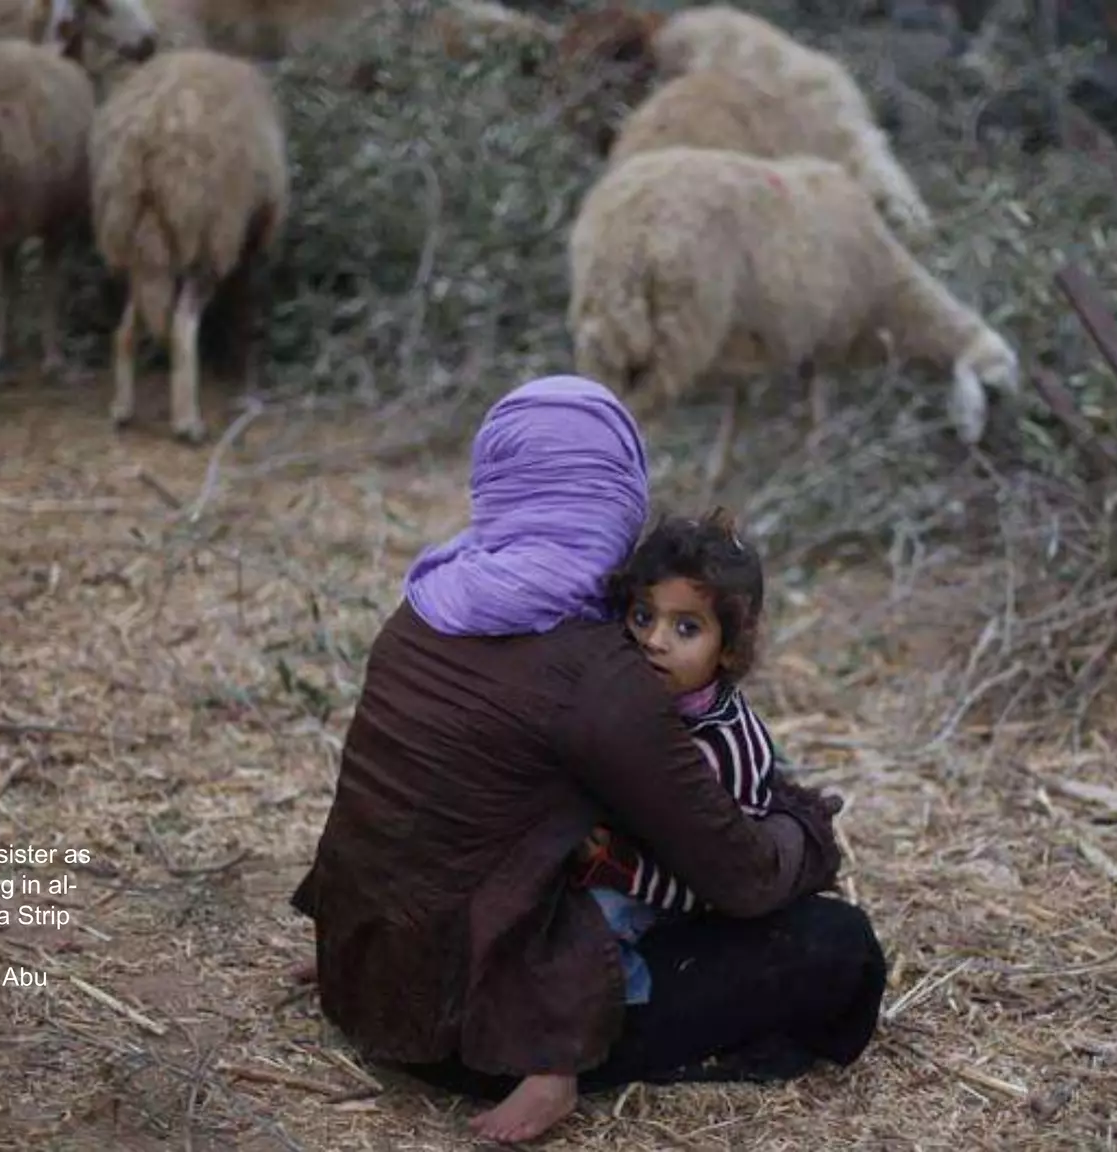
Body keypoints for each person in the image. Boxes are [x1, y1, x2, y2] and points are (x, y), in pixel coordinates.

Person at [289, 376, 888, 1144]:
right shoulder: (602, 677)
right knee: (835, 945)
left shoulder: (425, 605)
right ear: (617, 499)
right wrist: (804, 827)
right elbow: (742, 878)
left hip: (368, 981)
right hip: (479, 1036)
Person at [572, 508, 788, 1007]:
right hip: (615, 857)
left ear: (730, 649)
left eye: (686, 628)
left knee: (594, 929)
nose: (653, 640)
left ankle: (630, 1010)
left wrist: (621, 870)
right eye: (643, 616)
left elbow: (727, 877)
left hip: (681, 896)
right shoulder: (630, 697)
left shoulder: (726, 750)